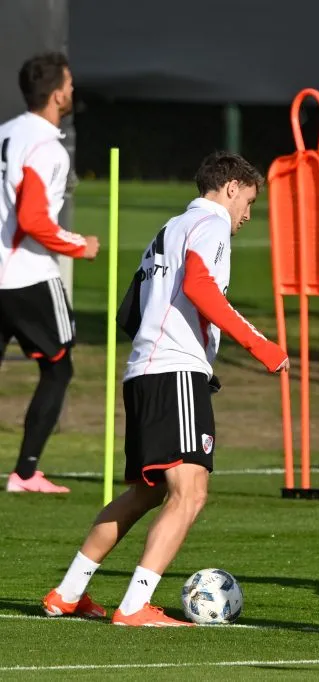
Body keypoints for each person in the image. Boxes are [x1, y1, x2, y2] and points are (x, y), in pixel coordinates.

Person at [41, 151, 289, 626]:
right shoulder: (212, 224)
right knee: (190, 493)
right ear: (232, 187)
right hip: (175, 371)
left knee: (145, 493)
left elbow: (130, 311)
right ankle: (134, 605)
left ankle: (67, 592)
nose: (248, 215)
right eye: (250, 202)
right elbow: (199, 286)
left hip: (144, 370)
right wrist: (260, 346)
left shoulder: (169, 228)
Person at [1, 52, 101, 493]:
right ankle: (25, 473)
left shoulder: (5, 133)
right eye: (71, 83)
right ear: (58, 93)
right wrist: (80, 245)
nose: (73, 91)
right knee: (58, 368)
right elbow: (34, 221)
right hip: (26, 275)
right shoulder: (47, 147)